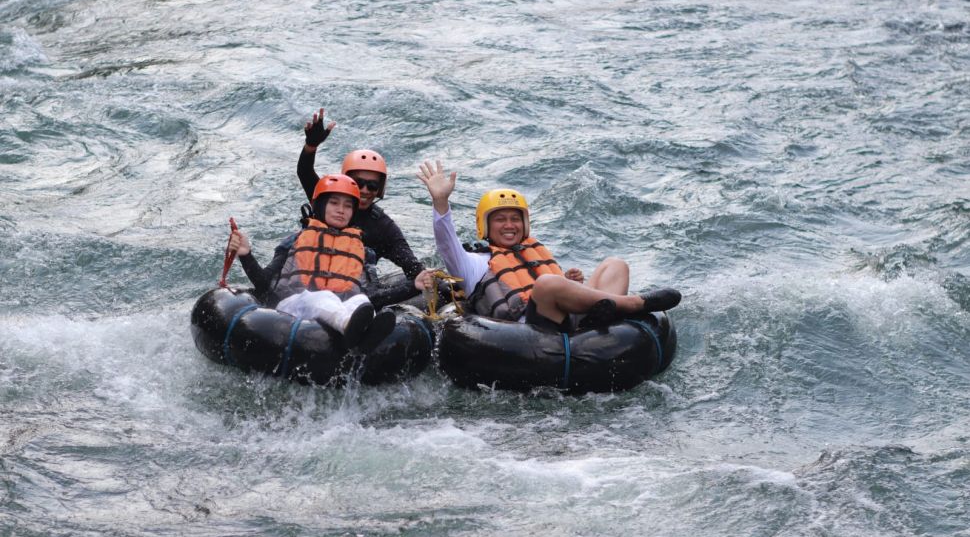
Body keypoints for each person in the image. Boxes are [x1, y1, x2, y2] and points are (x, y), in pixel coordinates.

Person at [414, 160, 681, 332]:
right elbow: (445, 240)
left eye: (515, 219)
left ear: (525, 224)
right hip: (528, 329)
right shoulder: (472, 264)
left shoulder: (533, 251)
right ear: (485, 226)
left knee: (616, 265)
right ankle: (633, 304)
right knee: (548, 285)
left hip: (572, 318)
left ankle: (604, 316)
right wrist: (440, 202)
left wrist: (571, 283)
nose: (509, 225)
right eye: (500, 220)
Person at [227, 174, 396, 351]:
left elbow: (373, 294)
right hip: (292, 308)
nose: (341, 210)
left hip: (339, 307)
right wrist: (246, 255)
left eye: (348, 206)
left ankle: (363, 340)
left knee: (361, 300)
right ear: (321, 205)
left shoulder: (363, 251)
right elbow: (264, 284)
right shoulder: (294, 241)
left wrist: (413, 286)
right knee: (323, 296)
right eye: (334, 203)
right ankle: (349, 327)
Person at [298, 109, 431, 303]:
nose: (365, 190)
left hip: (357, 293)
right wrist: (311, 146)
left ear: (380, 189)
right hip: (312, 282)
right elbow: (305, 172)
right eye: (358, 182)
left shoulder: (382, 226)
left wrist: (427, 280)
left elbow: (412, 267)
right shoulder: (326, 203)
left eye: (373, 185)